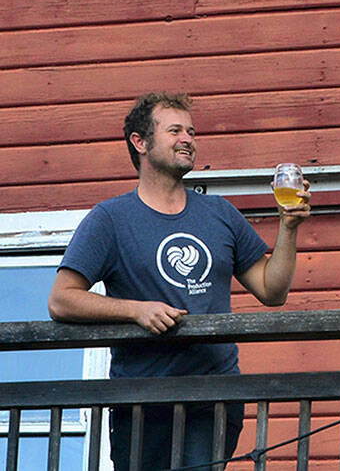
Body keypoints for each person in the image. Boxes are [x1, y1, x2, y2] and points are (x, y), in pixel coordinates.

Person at [48, 92, 311, 471]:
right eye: (174, 131)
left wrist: (288, 227)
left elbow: (273, 291)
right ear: (140, 142)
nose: (187, 139)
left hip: (214, 394)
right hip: (141, 399)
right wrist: (135, 311)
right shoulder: (110, 219)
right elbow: (61, 299)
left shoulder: (220, 213)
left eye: (191, 132)